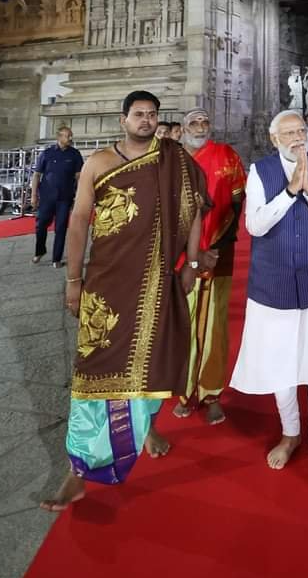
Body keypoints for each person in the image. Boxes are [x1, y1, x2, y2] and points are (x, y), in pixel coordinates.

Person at [41, 91, 205, 511]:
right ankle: (77, 471)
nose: (146, 121)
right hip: (106, 283)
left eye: (152, 115)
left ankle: (142, 428)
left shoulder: (176, 161)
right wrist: (73, 279)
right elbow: (78, 221)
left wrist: (192, 263)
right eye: (138, 115)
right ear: (123, 120)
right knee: (93, 371)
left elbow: (195, 210)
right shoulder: (98, 163)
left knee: (152, 362)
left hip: (156, 283)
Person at [230, 110, 308, 491]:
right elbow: (255, 224)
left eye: (301, 130)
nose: (297, 137)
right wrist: (289, 192)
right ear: (274, 138)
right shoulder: (260, 171)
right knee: (281, 363)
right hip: (274, 281)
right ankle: (291, 432)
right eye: (289, 132)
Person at [173, 107, 246, 425]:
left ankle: (212, 392)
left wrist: (217, 246)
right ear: (183, 128)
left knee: (215, 324)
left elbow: (237, 201)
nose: (200, 126)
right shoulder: (170, 161)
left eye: (205, 121)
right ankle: (183, 390)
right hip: (178, 257)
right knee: (181, 323)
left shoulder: (226, 155)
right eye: (194, 122)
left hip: (218, 251)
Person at [31, 126, 83, 269]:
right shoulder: (47, 154)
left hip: (64, 197)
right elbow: (37, 175)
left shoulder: (75, 154)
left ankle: (57, 258)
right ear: (59, 137)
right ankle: (40, 251)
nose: (70, 138)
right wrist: (33, 195)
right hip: (47, 196)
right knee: (41, 225)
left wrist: (79, 195)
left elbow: (79, 176)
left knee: (61, 228)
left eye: (71, 136)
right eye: (67, 136)